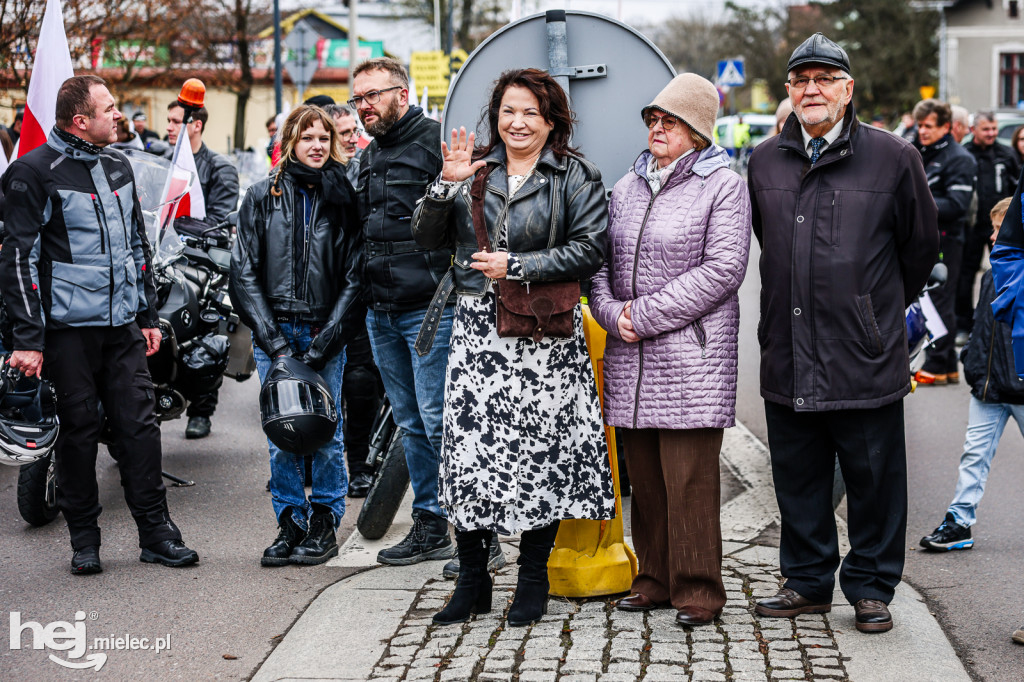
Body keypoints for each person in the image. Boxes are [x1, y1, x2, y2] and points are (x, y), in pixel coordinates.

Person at [747, 33, 938, 634]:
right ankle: (806, 581)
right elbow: (763, 243)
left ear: (848, 89)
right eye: (801, 80)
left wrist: (871, 313)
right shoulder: (763, 159)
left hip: (862, 354)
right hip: (788, 347)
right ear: (789, 92)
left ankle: (872, 587)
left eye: (825, 78)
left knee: (874, 481)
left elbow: (920, 250)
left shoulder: (893, 157)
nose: (812, 89)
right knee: (798, 478)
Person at [411, 67, 615, 627]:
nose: (518, 122)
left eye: (531, 112)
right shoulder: (473, 167)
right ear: (495, 116)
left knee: (540, 459)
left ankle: (531, 580)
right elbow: (425, 238)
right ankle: (472, 579)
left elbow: (591, 249)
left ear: (552, 121)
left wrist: (518, 266)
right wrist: (444, 185)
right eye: (508, 111)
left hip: (543, 335)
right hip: (477, 330)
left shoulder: (576, 174)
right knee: (471, 459)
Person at [0, 75, 199, 574]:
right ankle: (84, 541)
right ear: (80, 120)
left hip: (122, 331)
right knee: (79, 434)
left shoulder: (119, 164)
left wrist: (148, 314)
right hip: (66, 335)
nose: (120, 115)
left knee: (140, 429)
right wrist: (28, 338)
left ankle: (157, 534)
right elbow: (19, 260)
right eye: (110, 108)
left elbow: (138, 246)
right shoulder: (32, 172)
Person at [590, 73, 751, 627]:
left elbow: (724, 269)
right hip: (631, 357)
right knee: (647, 483)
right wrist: (612, 314)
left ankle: (699, 591)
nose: (658, 128)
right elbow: (601, 267)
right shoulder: (627, 187)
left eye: (671, 120)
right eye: (653, 119)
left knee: (690, 481)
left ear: (698, 130)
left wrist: (644, 315)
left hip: (690, 358)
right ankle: (652, 579)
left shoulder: (723, 185)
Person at [230, 104, 363, 566]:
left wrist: (325, 340)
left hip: (325, 332)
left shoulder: (344, 197)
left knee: (327, 430)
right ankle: (289, 522)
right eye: (307, 137)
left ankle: (325, 521)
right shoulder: (262, 196)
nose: (317, 145)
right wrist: (276, 342)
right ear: (290, 141)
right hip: (276, 335)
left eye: (324, 138)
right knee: (281, 431)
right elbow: (242, 272)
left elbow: (354, 276)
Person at [350, 57, 455, 567]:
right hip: (382, 313)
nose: (363, 106)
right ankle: (431, 525)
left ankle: (478, 532)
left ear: (403, 94)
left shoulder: (436, 143)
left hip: (430, 310)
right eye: (358, 98)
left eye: (372, 95)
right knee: (411, 424)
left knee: (440, 421)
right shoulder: (368, 157)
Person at [920, 197, 1023, 553]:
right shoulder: (994, 274)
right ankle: (958, 522)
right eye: (994, 229)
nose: (993, 237)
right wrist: (974, 366)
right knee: (974, 455)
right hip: (989, 387)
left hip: (1021, 387)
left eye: (1000, 230)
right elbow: (982, 328)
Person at [165, 99, 241, 437]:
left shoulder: (220, 167)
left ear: (195, 125)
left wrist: (180, 229)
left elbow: (221, 220)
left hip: (204, 260)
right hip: (166, 255)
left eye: (174, 121)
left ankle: (202, 410)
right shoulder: (165, 163)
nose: (168, 127)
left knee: (205, 330)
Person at [322, 101, 380, 499]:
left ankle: (359, 466)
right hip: (316, 298)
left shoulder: (365, 168)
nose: (348, 139)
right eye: (338, 133)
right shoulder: (298, 177)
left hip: (358, 292)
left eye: (350, 132)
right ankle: (310, 463)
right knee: (318, 386)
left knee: (360, 384)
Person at [912, 99, 978, 386]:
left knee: (938, 299)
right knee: (928, 299)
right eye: (919, 125)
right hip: (921, 238)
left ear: (946, 127)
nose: (922, 131)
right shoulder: (916, 150)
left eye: (929, 126)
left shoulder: (959, 157)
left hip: (947, 239)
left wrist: (915, 202)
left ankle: (938, 364)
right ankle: (948, 365)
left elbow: (957, 204)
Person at [956, 112, 1020, 342]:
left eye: (994, 129)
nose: (992, 133)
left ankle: (1003, 323)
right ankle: (964, 325)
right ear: (974, 130)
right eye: (986, 129)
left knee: (1005, 271)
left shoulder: (1006, 154)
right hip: (973, 225)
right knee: (966, 275)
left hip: (1003, 226)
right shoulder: (965, 155)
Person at [324, 103, 364, 185]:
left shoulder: (363, 172)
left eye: (355, 131)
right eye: (346, 133)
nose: (354, 140)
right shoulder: (310, 173)